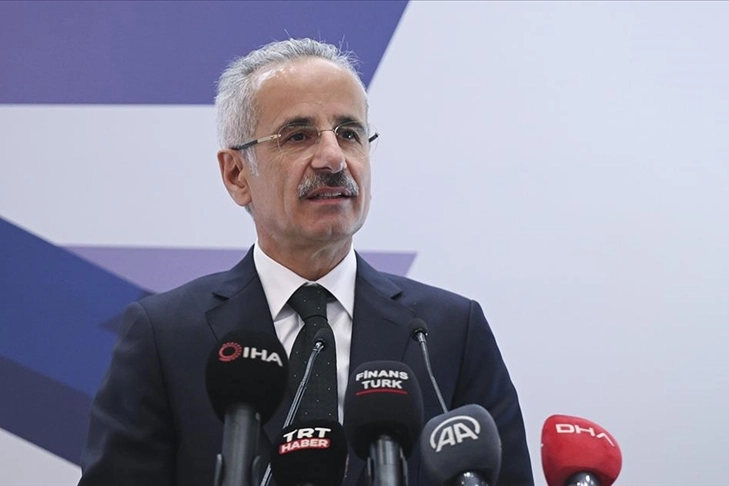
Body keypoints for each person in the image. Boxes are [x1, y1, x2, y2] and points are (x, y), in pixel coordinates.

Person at [79, 38, 534, 486]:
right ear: (237, 174)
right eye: (298, 136)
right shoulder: (164, 337)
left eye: (350, 133)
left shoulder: (450, 332)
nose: (334, 158)